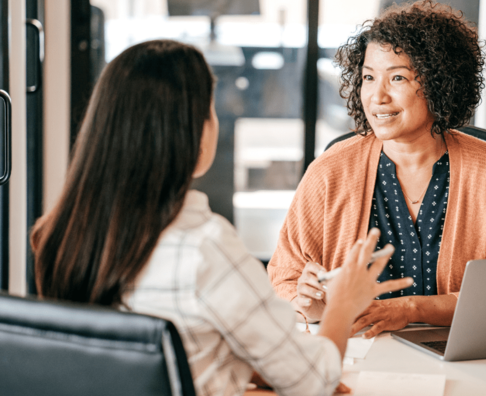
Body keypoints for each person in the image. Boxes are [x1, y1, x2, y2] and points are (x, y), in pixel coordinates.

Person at [30, 40, 412, 396]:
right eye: (212, 110)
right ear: (193, 134)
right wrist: (343, 304)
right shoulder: (205, 247)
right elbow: (314, 382)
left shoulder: (59, 234)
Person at [267, 0, 486, 339]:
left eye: (397, 77)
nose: (377, 96)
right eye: (369, 77)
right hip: (353, 349)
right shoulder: (330, 171)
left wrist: (412, 309)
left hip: (460, 352)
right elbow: (285, 279)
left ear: (438, 82)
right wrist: (309, 304)